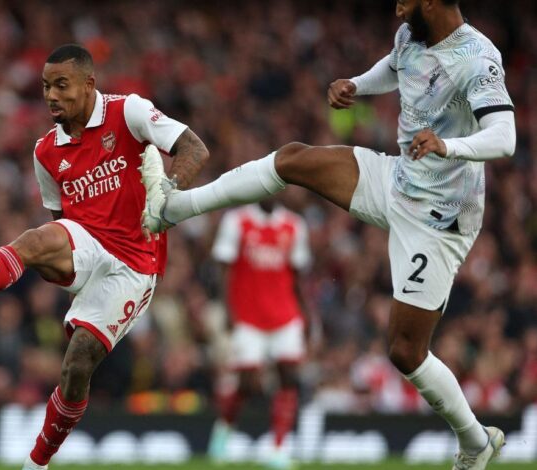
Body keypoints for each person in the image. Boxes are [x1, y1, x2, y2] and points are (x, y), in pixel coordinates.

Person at [140, 1, 515, 469]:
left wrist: (447, 144)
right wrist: (357, 84)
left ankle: (475, 440)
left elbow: (504, 136)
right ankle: (174, 208)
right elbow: (396, 67)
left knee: (405, 351)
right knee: (293, 159)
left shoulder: (479, 57)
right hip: (396, 181)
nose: (397, 6)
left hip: (439, 220)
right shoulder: (410, 35)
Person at [0, 44, 209, 470]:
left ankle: (37, 463)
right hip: (87, 241)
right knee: (35, 240)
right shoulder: (45, 152)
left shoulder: (128, 111)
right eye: (45, 87)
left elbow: (195, 150)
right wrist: (65, 267)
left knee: (77, 364)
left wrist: (165, 194)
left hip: (135, 262)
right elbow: (61, 223)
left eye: (61, 85)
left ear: (89, 84)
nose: (51, 96)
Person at [207, 199, 311, 469]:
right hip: (248, 315)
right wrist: (227, 309)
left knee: (288, 376)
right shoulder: (237, 221)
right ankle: (224, 428)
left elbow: (297, 275)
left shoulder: (294, 225)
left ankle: (278, 448)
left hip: (285, 314)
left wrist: (307, 313)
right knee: (247, 382)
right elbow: (224, 269)